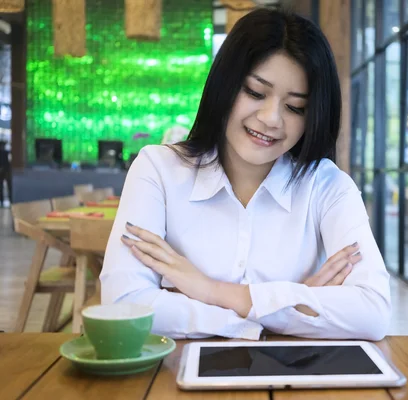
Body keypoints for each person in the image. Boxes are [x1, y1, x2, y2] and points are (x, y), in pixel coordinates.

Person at [100, 8, 391, 341]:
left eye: (295, 107)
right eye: (255, 92)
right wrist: (286, 306)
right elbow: (123, 306)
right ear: (225, 85)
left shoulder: (327, 185)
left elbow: (373, 311)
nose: (271, 118)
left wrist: (211, 291)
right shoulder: (157, 170)